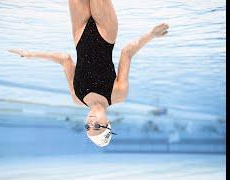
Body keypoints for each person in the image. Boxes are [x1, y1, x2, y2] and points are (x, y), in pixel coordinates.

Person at [9, 0, 169, 147]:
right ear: (108, 123)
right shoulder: (118, 95)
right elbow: (126, 53)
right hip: (106, 33)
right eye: (97, 126)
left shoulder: (77, 98)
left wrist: (31, 54)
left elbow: (65, 60)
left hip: (79, 33)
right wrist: (150, 36)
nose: (91, 122)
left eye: (88, 127)